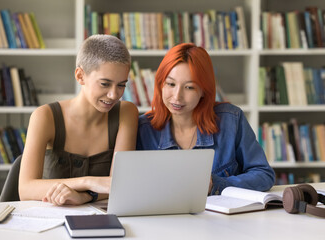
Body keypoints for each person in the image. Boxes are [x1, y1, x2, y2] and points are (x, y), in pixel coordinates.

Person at [137, 43, 275, 195]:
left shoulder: (231, 120)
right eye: (170, 84)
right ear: (160, 84)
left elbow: (264, 174)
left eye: (189, 87)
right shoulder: (143, 129)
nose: (177, 97)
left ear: (204, 90)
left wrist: (217, 184)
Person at [19, 34, 138, 205]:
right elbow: (25, 190)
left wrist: (85, 196)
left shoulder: (126, 113)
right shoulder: (45, 117)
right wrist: (88, 182)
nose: (114, 95)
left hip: (100, 220)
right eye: (105, 84)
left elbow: (119, 185)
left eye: (121, 85)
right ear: (80, 75)